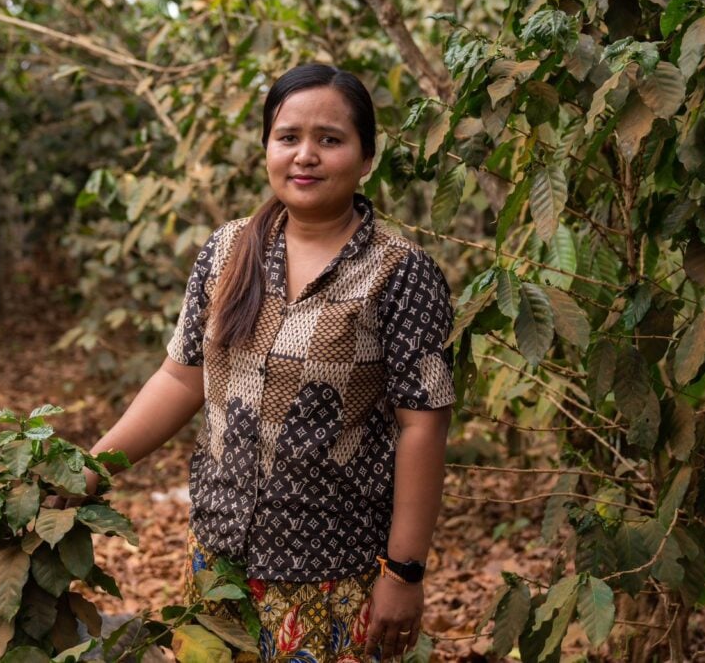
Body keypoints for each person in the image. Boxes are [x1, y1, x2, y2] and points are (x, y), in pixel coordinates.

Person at [83, 63, 455, 662]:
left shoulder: (399, 273)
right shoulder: (228, 250)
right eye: (288, 138)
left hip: (334, 574)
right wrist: (87, 472)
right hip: (219, 561)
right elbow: (180, 378)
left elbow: (423, 426)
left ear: (365, 159)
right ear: (267, 149)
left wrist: (404, 572)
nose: (305, 155)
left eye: (329, 140)